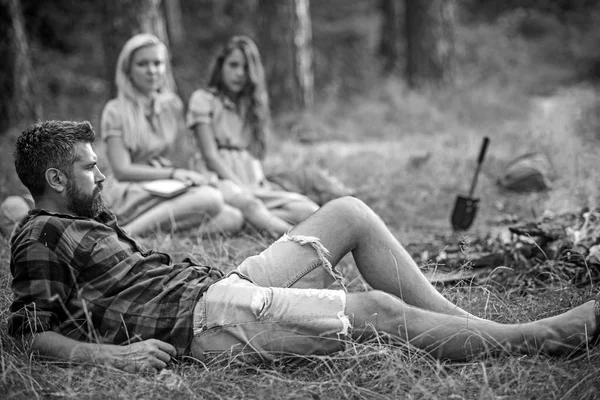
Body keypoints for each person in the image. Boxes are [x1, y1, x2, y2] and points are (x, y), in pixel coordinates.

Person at [8, 120, 600, 372]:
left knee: (349, 213)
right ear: (56, 180)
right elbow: (30, 331)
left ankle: (473, 329)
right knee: (376, 313)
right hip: (201, 323)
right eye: (89, 169)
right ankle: (542, 339)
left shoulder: (91, 217)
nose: (101, 174)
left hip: (216, 288)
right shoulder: (39, 234)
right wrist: (112, 358)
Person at [101, 34, 292, 237]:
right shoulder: (116, 110)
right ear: (127, 70)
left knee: (232, 217)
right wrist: (171, 174)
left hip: (166, 188)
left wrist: (186, 175)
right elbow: (122, 170)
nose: (151, 71)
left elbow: (180, 158)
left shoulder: (171, 106)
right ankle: (125, 233)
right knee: (210, 198)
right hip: (130, 191)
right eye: (142, 64)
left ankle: (157, 233)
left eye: (157, 63)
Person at [187, 35, 319, 226]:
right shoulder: (203, 99)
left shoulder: (251, 105)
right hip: (218, 178)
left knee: (307, 209)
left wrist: (258, 183)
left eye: (246, 68)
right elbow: (210, 156)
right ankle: (294, 239)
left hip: (252, 180)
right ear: (221, 66)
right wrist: (240, 186)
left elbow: (255, 154)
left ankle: (256, 223)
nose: (240, 73)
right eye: (233, 65)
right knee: (250, 205)